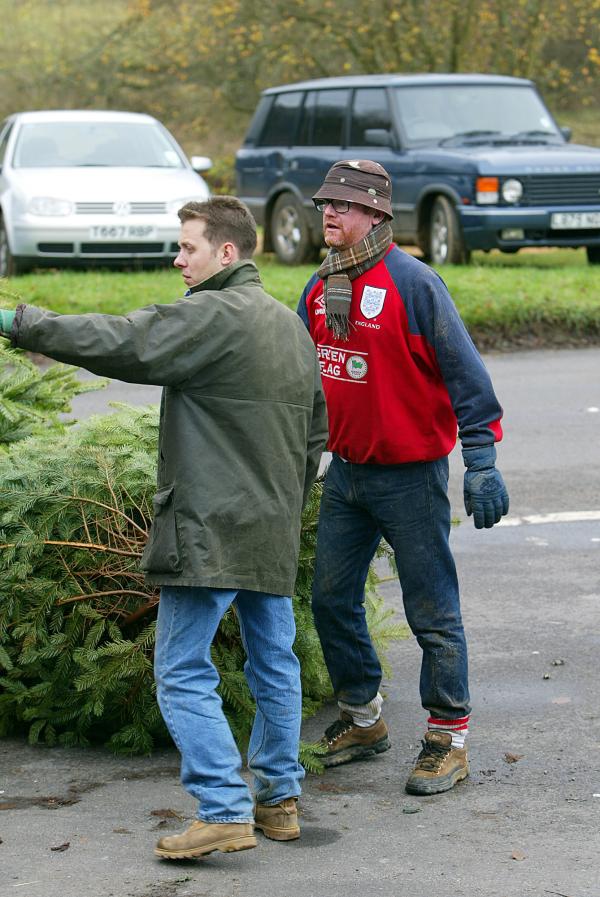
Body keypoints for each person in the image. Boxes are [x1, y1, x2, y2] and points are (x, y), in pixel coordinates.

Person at [0, 196, 328, 855]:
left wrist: (17, 320)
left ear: (226, 253)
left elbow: (121, 342)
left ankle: (223, 808)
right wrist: (282, 507)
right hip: (270, 528)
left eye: (188, 247)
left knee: (180, 666)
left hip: (209, 527)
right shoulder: (287, 325)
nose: (177, 259)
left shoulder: (211, 315)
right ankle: (279, 800)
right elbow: (316, 430)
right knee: (274, 661)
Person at [297, 160, 509, 795]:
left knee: (432, 612)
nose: (329, 214)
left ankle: (448, 737)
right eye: (325, 204)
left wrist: (482, 460)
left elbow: (468, 378)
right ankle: (363, 719)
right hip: (348, 475)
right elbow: (303, 380)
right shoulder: (319, 287)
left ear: (377, 215)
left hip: (410, 480)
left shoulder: (415, 285)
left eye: (344, 205)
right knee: (331, 601)